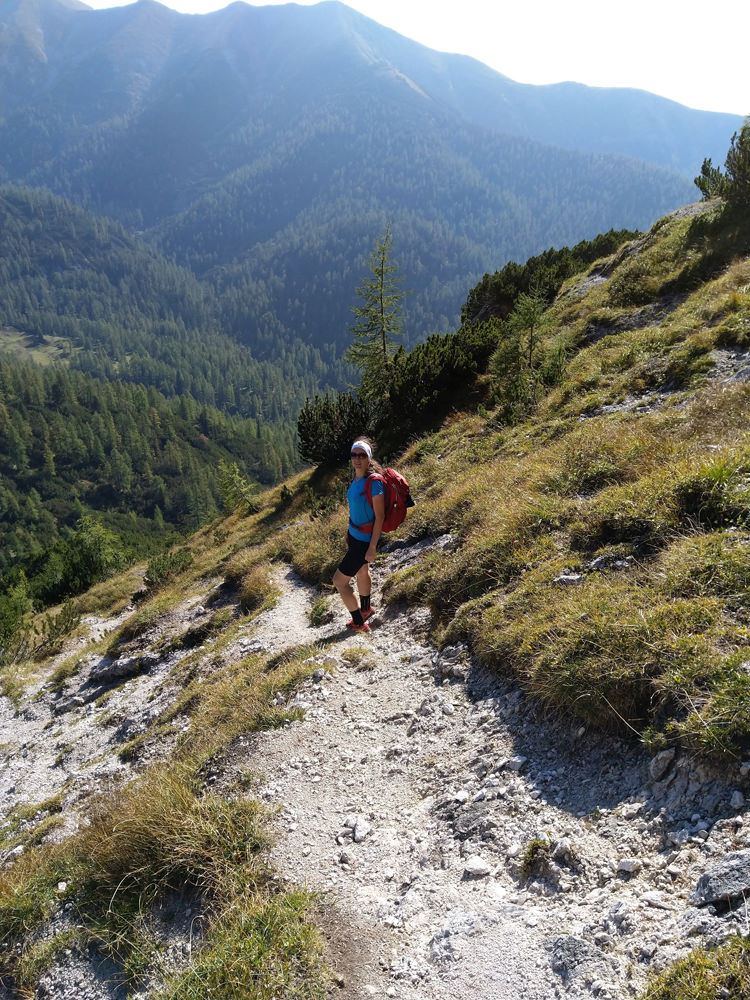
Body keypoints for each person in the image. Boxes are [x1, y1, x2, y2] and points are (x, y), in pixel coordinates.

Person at [333, 436, 385, 633]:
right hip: (355, 536)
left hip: (364, 541)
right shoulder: (355, 479)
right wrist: (349, 531)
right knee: (362, 571)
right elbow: (356, 509)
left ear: (369, 458)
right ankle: (365, 610)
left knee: (339, 581)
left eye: (362, 455)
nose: (357, 459)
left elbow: (380, 517)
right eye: (354, 455)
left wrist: (372, 547)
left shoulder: (374, 483)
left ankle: (358, 623)